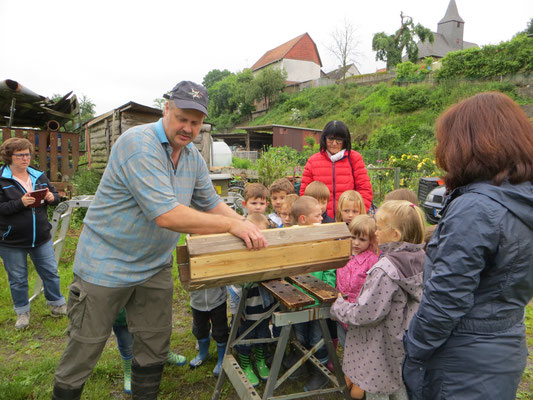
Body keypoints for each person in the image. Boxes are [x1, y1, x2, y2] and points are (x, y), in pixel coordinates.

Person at [52, 81, 266, 400]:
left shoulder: (192, 156)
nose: (187, 128)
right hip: (105, 265)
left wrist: (248, 225)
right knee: (86, 345)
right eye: (182, 118)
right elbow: (166, 214)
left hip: (154, 267)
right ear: (167, 109)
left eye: (195, 123)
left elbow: (209, 200)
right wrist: (229, 226)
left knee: (154, 344)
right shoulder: (138, 144)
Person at [402, 92, 533, 400]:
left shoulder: (476, 209)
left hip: (464, 359)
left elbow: (446, 299)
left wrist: (414, 347)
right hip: (504, 346)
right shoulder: (520, 199)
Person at [331, 200, 426, 400]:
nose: (376, 233)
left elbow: (366, 313)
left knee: (377, 390)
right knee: (397, 384)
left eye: (379, 228)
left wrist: (339, 306)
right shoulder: (420, 258)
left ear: (395, 235)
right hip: (401, 341)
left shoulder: (385, 269)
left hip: (378, 347)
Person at [0, 137, 66, 330]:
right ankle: (22, 312)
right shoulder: (2, 179)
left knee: (51, 273)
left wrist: (51, 197)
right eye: (19, 155)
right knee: (18, 279)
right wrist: (20, 203)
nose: (25, 158)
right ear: (9, 156)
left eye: (27, 154)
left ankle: (57, 304)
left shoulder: (38, 175)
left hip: (41, 237)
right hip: (11, 240)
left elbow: (56, 196)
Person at [228, 214, 275, 387]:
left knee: (262, 336)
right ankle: (246, 365)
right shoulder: (238, 261)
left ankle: (260, 362)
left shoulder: (268, 258)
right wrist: (235, 312)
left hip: (263, 311)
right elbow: (232, 290)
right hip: (246, 314)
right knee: (244, 340)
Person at [335, 214, 379, 398]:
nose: (356, 243)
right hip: (341, 307)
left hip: (358, 312)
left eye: (362, 239)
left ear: (371, 241)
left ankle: (360, 380)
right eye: (353, 237)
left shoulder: (371, 260)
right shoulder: (343, 253)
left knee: (361, 347)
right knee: (346, 345)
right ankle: (349, 374)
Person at [299, 120, 373, 218]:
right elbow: (305, 193)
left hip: (349, 219)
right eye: (330, 139)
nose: (334, 143)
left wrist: (357, 214)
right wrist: (313, 216)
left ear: (345, 140)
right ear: (324, 139)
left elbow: (365, 190)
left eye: (339, 140)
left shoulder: (354, 158)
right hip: (321, 219)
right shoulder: (313, 161)